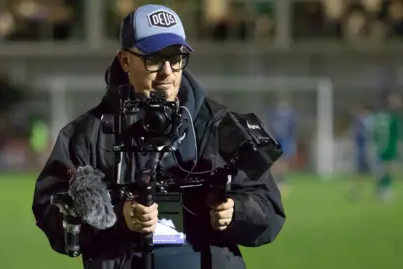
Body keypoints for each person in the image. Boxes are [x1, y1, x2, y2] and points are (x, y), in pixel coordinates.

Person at [32, 4, 285, 269]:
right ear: (125, 60)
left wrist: (236, 212)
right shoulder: (88, 133)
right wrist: (119, 218)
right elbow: (51, 211)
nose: (167, 71)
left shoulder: (218, 124)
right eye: (154, 58)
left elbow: (270, 209)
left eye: (176, 58)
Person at [372, 92, 401, 202]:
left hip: (382, 146)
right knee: (389, 168)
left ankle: (381, 188)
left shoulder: (381, 116)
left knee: (386, 169)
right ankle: (384, 190)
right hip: (389, 146)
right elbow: (398, 134)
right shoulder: (393, 117)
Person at [267, 97, 296, 198]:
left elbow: (292, 127)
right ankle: (276, 181)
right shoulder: (275, 114)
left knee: (283, 160)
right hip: (278, 139)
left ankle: (281, 181)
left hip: (284, 139)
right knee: (278, 161)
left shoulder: (290, 114)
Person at [347, 103, 373, 201]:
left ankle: (379, 189)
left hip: (369, 148)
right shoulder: (358, 121)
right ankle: (356, 191)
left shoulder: (371, 121)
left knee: (374, 170)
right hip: (360, 149)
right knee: (358, 171)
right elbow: (354, 134)